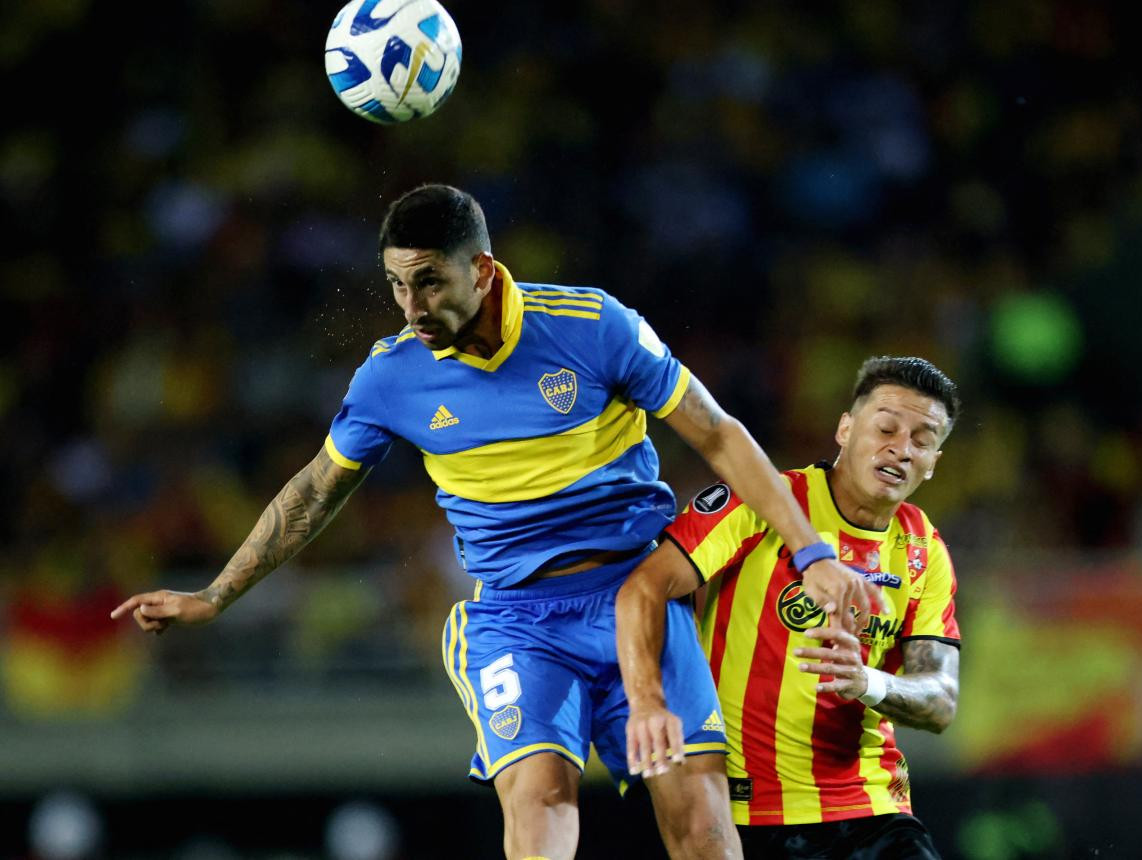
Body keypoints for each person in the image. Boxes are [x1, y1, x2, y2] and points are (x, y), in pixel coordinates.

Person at [111, 184, 879, 860]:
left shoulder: (593, 326)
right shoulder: (391, 376)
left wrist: (811, 550)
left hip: (638, 597)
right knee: (540, 803)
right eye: (395, 286)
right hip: (517, 622)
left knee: (705, 829)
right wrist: (217, 594)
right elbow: (317, 489)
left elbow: (716, 433)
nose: (412, 308)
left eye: (428, 282)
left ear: (480, 269)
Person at [617, 355, 961, 860]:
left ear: (933, 463)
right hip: (747, 811)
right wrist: (646, 702)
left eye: (922, 441)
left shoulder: (924, 549)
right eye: (886, 427)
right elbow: (645, 587)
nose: (901, 449)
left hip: (869, 808)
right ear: (845, 428)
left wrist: (867, 681)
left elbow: (941, 701)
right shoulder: (766, 499)